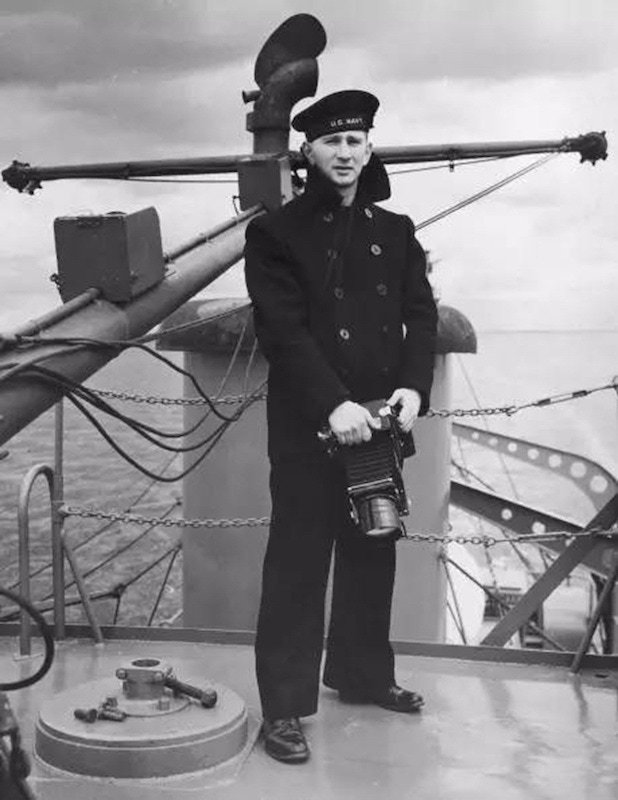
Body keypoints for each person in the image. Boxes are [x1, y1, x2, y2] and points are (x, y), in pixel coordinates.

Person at [244, 90, 438, 764]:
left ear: (370, 148)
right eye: (332, 143)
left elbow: (422, 314)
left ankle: (363, 677)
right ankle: (283, 710)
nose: (346, 153)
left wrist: (414, 387)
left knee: (371, 547)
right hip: (309, 426)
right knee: (297, 563)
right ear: (308, 152)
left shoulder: (397, 229)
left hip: (380, 420)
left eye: (356, 141)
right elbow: (284, 332)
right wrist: (332, 404)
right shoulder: (275, 234)